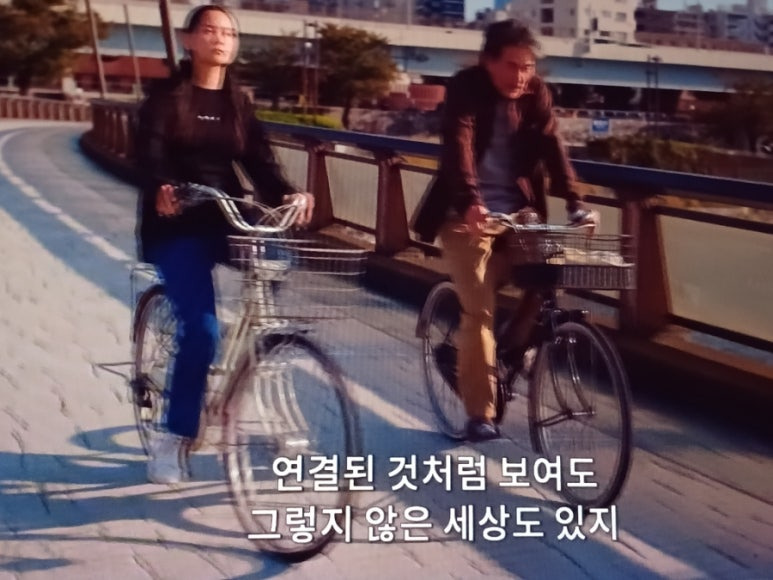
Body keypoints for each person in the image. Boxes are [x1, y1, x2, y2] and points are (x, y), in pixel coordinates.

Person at [134, 4, 314, 483]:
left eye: (230, 33)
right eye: (211, 30)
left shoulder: (238, 103)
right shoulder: (164, 99)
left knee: (278, 263)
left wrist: (289, 193)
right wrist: (162, 188)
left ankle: (245, 378)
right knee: (202, 331)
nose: (221, 39)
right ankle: (173, 437)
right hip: (176, 226)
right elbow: (148, 157)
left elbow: (261, 163)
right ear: (189, 40)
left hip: (229, 219)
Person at [410, 19, 597, 442]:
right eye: (511, 66)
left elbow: (553, 146)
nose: (520, 76)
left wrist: (576, 204)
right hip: (465, 215)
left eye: (527, 67)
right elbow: (458, 143)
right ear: (488, 61)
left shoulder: (536, 94)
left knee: (551, 273)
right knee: (479, 310)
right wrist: (470, 201)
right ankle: (481, 413)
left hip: (518, 214)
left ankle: (507, 352)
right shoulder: (466, 87)